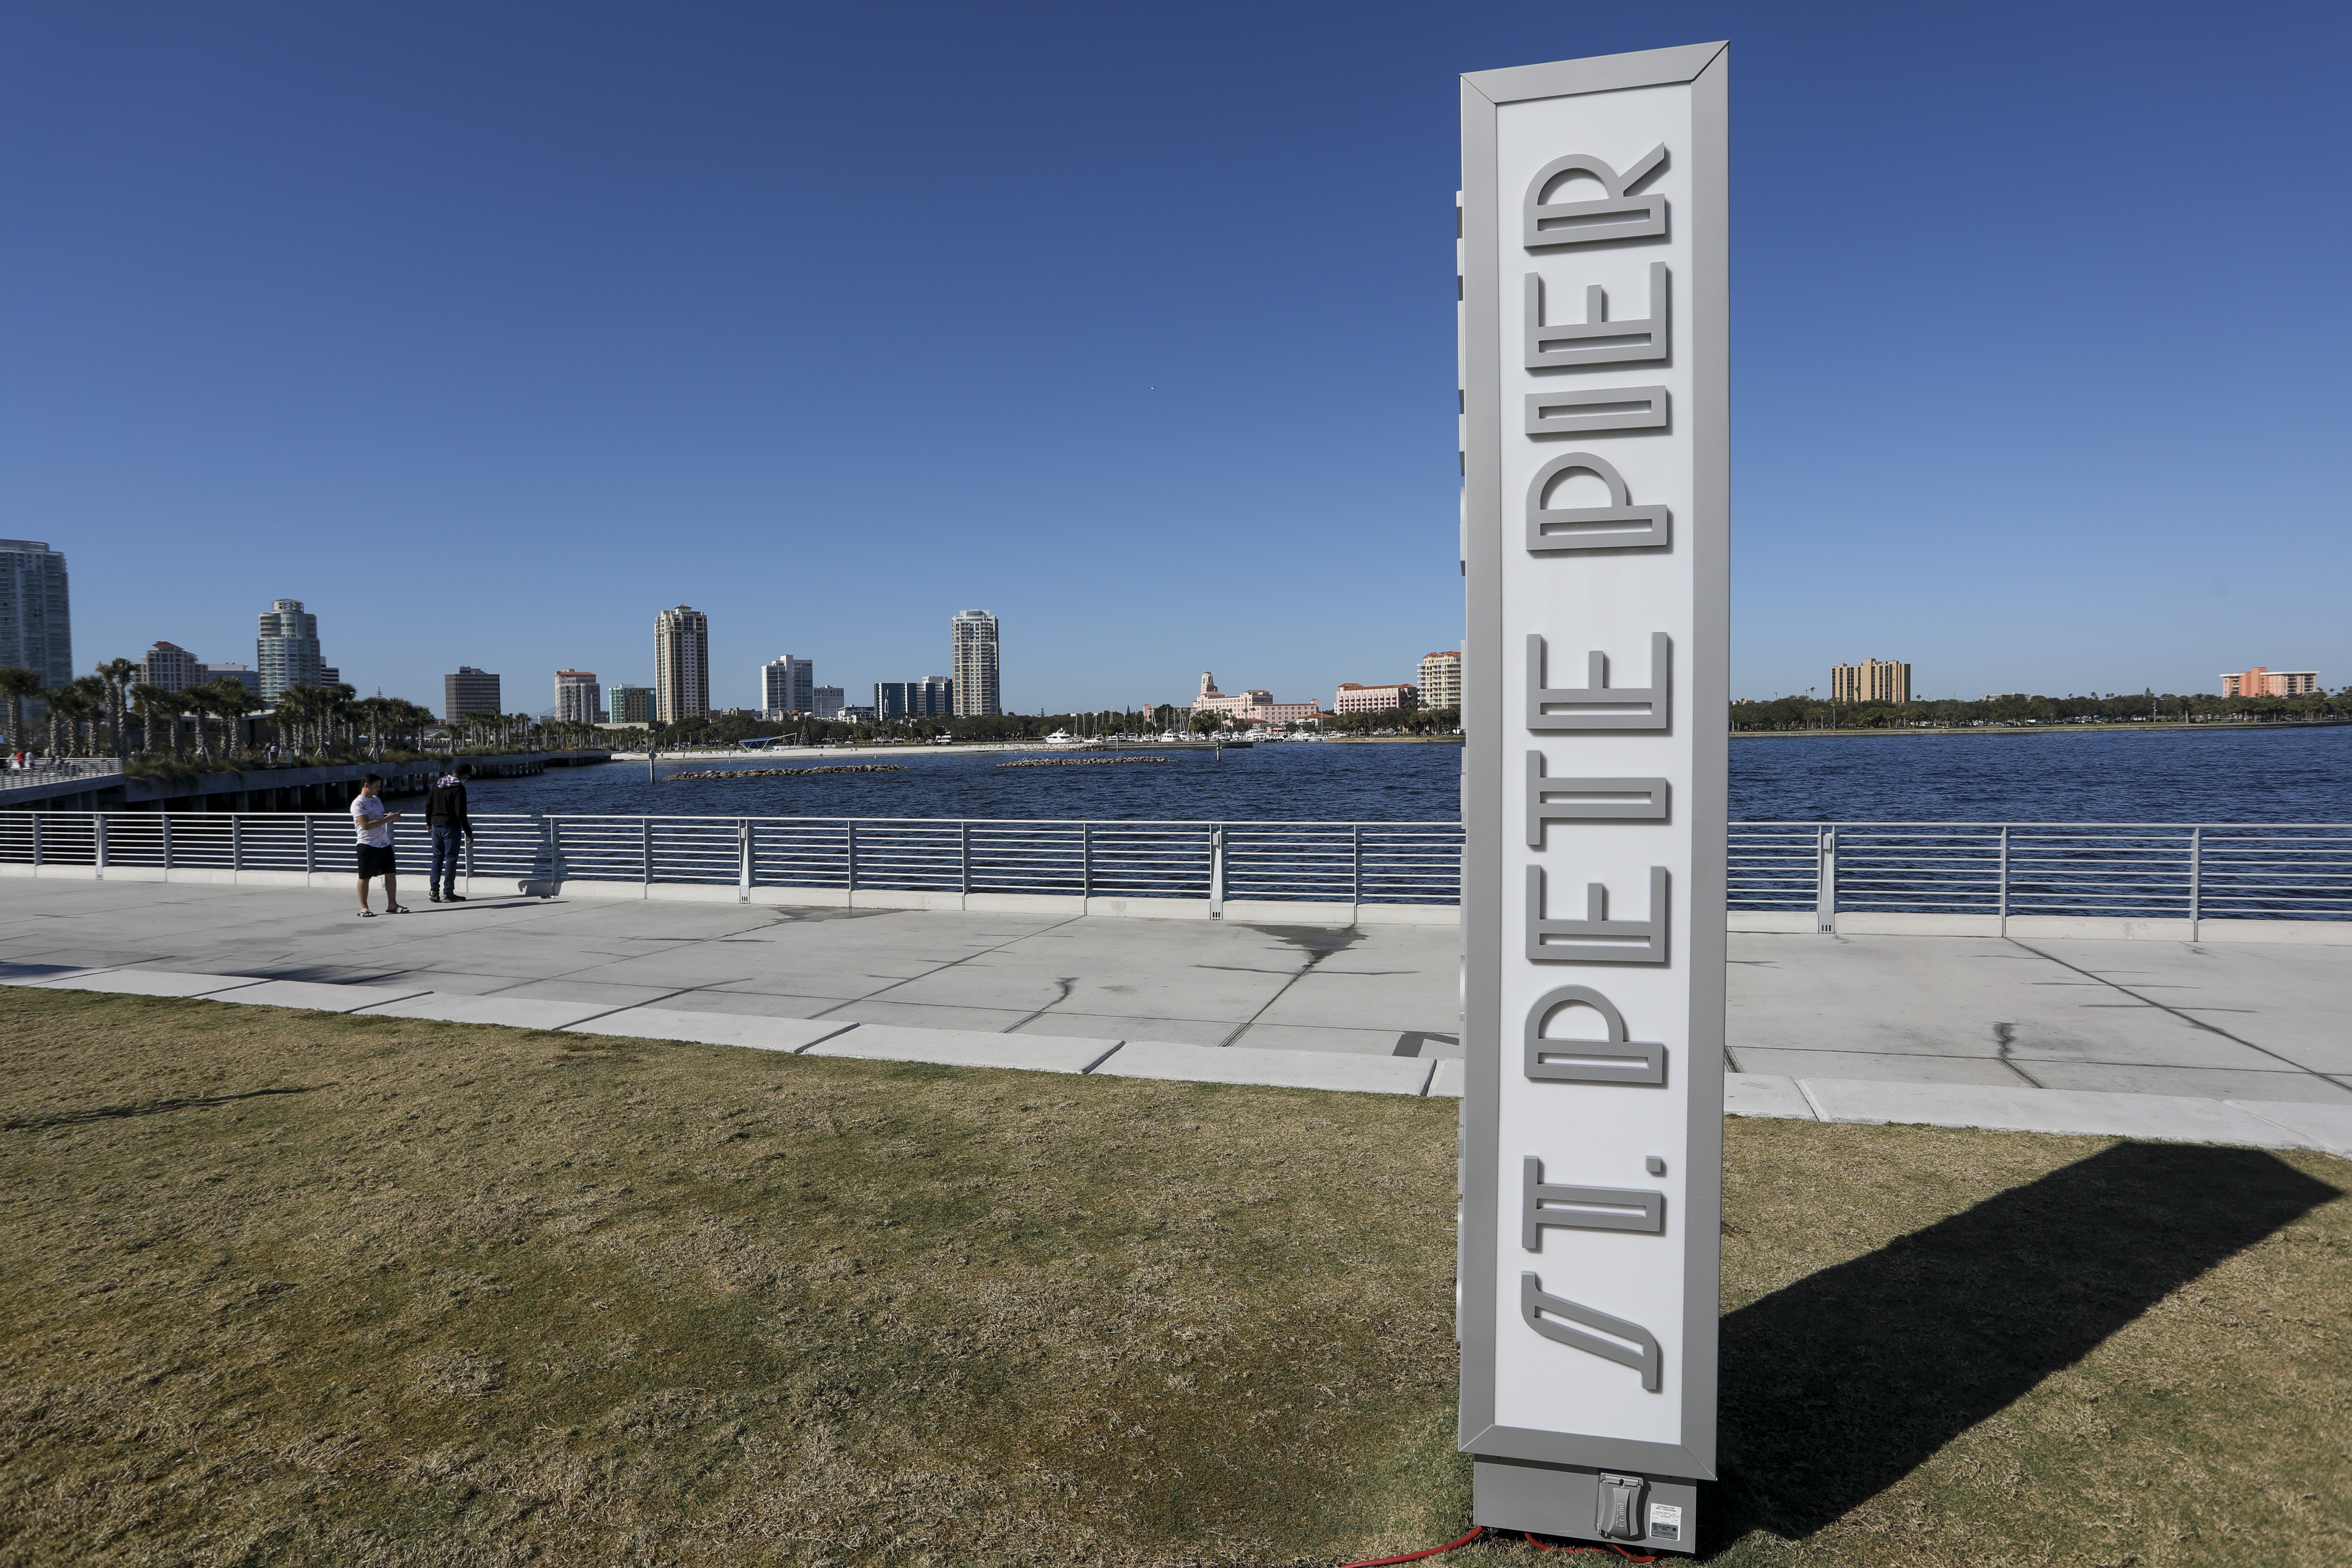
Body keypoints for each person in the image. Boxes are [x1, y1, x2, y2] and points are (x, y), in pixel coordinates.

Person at [350, 774, 410, 916]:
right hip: (368, 844)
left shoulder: (376, 800)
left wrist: (388, 817)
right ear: (367, 785)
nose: (379, 789)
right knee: (365, 877)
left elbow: (378, 818)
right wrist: (388, 819)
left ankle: (393, 905)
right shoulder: (359, 804)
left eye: (380, 786)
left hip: (384, 843)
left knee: (391, 874)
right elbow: (365, 825)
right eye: (376, 786)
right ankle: (364, 908)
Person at [425, 761, 476, 902]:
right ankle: (448, 893)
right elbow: (461, 814)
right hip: (451, 827)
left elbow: (429, 804)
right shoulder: (459, 789)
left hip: (436, 826)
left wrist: (429, 823)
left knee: (437, 858)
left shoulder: (438, 784)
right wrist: (469, 833)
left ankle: (434, 891)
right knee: (451, 859)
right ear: (465, 774)